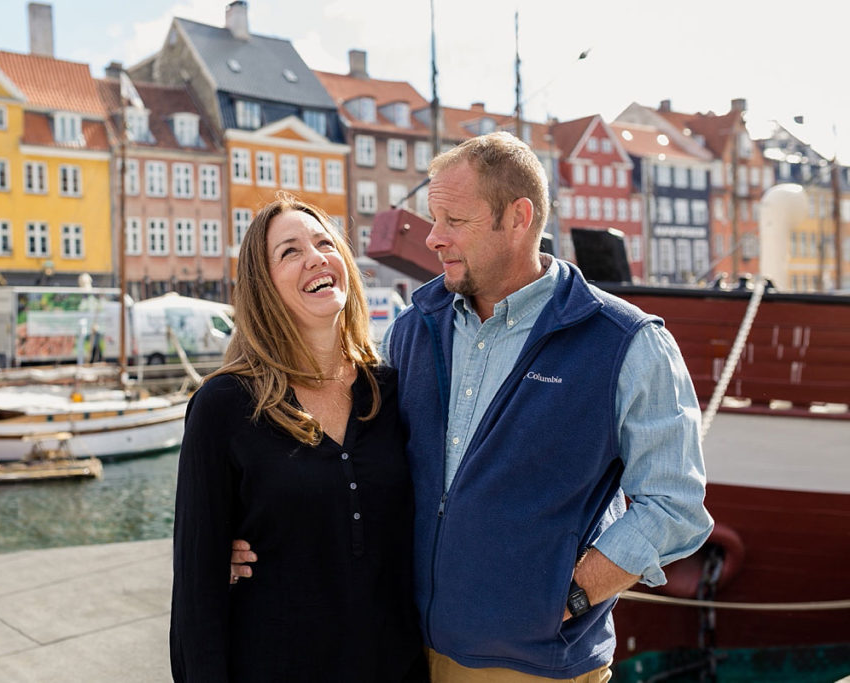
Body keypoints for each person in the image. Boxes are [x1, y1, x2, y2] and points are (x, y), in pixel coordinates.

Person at [232, 132, 713, 681]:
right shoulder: (413, 330)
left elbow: (674, 503)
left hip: (538, 667)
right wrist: (255, 537)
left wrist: (572, 596)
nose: (434, 239)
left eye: (453, 221)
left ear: (518, 217)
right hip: (405, 653)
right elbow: (357, 470)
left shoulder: (625, 342)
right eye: (433, 219)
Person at [170, 195, 427, 682]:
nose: (315, 256)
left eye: (325, 242)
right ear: (262, 286)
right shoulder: (223, 406)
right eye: (289, 251)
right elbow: (195, 595)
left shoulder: (392, 392)